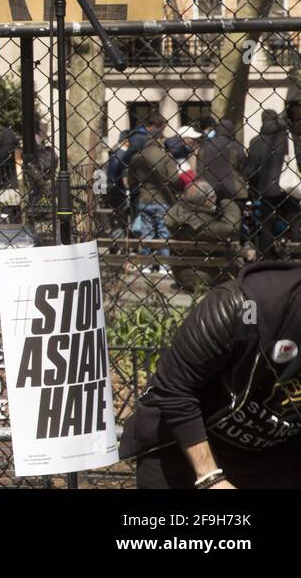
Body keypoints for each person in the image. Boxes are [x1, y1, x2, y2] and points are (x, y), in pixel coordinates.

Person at [119, 261, 301, 487]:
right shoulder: (240, 306)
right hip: (183, 439)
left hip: (269, 452)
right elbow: (175, 389)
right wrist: (210, 477)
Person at [247, 109, 300, 257]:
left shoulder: (256, 142)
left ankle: (268, 258)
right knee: (293, 220)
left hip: (266, 190)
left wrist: (254, 189)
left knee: (266, 226)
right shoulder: (290, 138)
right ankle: (295, 254)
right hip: (289, 188)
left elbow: (252, 170)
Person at [127, 116, 181, 254]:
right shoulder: (166, 157)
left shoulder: (137, 157)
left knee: (146, 232)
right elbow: (174, 179)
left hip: (144, 198)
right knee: (164, 232)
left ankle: (146, 263)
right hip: (164, 199)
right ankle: (164, 265)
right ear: (159, 140)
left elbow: (130, 180)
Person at [195, 118, 247, 247]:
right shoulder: (236, 146)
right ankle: (236, 252)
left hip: (209, 192)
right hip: (234, 192)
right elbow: (244, 167)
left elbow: (199, 170)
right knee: (234, 224)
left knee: (212, 225)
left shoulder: (205, 147)